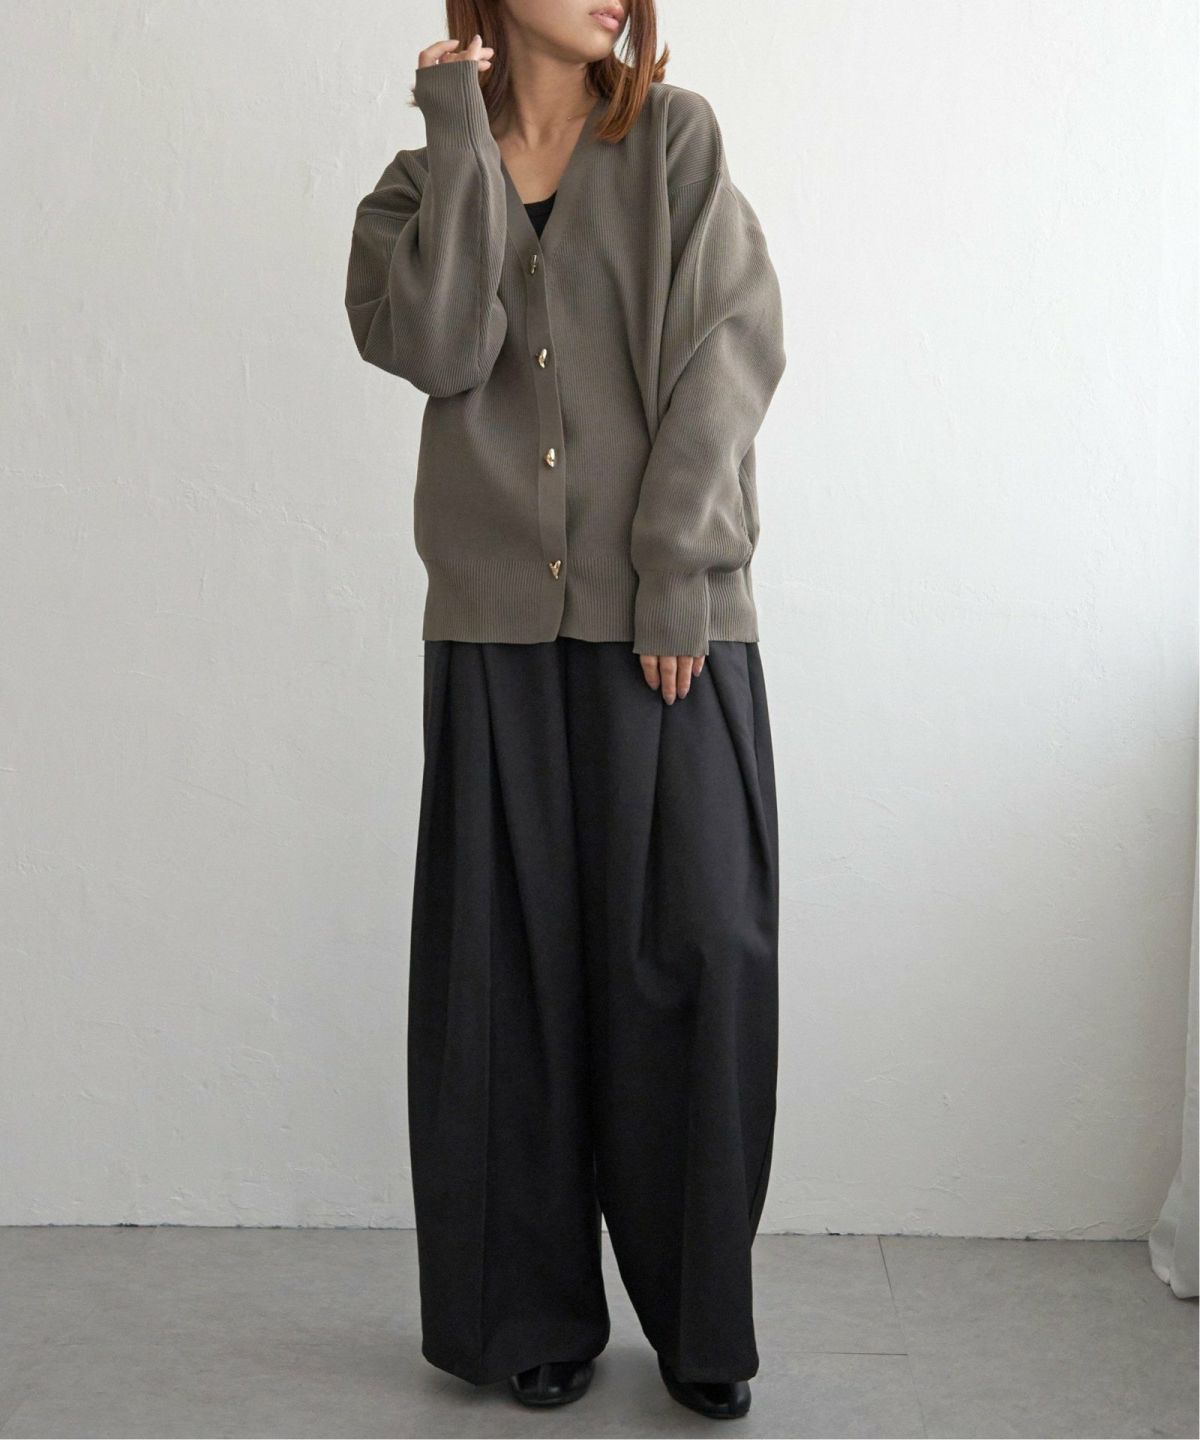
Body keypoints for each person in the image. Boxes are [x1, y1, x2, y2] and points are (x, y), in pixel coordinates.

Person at [344, 0, 786, 1421]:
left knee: (699, 956)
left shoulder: (673, 143)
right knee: (506, 979)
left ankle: (701, 1316)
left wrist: (676, 571)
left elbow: (728, 353)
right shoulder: (417, 185)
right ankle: (526, 1312)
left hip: (668, 629)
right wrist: (457, 137)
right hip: (493, 634)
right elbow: (440, 347)